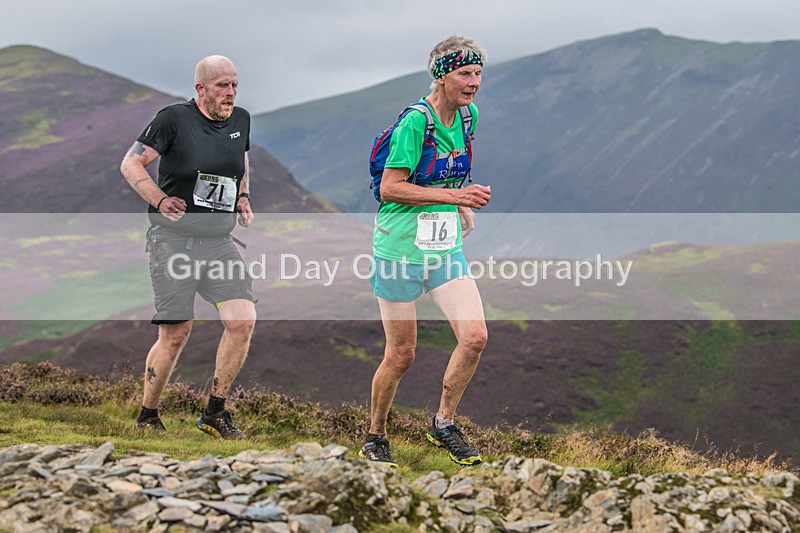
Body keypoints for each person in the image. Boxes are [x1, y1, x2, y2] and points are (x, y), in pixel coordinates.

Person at [361, 35, 491, 467]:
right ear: (440, 75)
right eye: (464, 74)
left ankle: (444, 424)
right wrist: (455, 200)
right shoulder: (416, 122)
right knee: (401, 355)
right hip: (399, 250)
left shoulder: (468, 116)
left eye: (477, 74)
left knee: (474, 338)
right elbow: (390, 188)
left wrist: (460, 205)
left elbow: (452, 169)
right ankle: (376, 435)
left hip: (443, 249)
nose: (473, 83)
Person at [119, 55, 256, 440]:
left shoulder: (241, 119)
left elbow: (241, 158)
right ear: (200, 89)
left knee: (242, 321)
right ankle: (148, 414)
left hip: (219, 242)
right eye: (221, 86)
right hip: (172, 242)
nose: (230, 93)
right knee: (176, 333)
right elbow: (131, 164)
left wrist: (243, 195)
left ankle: (215, 412)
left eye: (234, 86)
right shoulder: (172, 119)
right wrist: (160, 200)